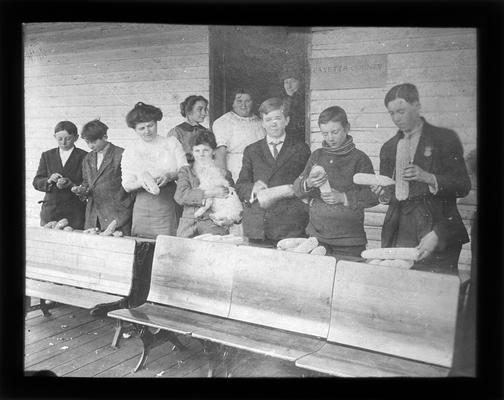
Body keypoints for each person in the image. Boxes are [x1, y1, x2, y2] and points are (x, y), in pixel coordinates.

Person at [372, 83, 471, 273]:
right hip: (400, 228)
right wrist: (383, 194)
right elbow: (390, 192)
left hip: (437, 228)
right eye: (391, 113)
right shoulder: (389, 147)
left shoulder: (444, 139)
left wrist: (429, 177)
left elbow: (463, 186)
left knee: (437, 291)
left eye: (401, 111)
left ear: (417, 105)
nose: (396, 118)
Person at [293, 106, 379, 259]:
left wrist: (343, 197)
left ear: (347, 128)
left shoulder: (359, 158)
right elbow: (297, 189)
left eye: (335, 132)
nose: (330, 138)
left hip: (349, 241)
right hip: (317, 237)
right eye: (325, 133)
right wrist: (309, 183)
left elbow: (373, 196)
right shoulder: (317, 156)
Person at [236, 97, 310, 246]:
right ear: (263, 123)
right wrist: (253, 188)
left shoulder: (300, 149)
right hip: (259, 225)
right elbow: (241, 184)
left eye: (278, 118)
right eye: (268, 119)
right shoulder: (252, 150)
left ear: (286, 120)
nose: (273, 123)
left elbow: (307, 185)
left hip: (289, 225)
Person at [121, 102, 188, 239]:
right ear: (135, 129)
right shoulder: (131, 149)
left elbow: (185, 171)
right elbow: (127, 185)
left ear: (157, 123)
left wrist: (169, 176)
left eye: (150, 125)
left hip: (167, 201)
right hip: (143, 205)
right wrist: (143, 182)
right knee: (142, 245)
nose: (147, 131)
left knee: (168, 243)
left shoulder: (171, 143)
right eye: (142, 128)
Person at [71, 119, 133, 235]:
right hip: (93, 217)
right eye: (87, 142)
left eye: (93, 141)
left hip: (116, 215)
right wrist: (81, 190)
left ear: (104, 137)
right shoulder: (88, 158)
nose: (90, 146)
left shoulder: (121, 154)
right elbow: (86, 182)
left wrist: (123, 211)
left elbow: (131, 186)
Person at [175, 130, 236, 238]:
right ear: (192, 152)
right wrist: (211, 193)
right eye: (197, 150)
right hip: (188, 225)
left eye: (205, 150)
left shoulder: (224, 173)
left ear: (213, 151)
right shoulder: (186, 171)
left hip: (214, 225)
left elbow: (232, 199)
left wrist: (229, 219)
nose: (201, 154)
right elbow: (181, 196)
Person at [32, 120, 87, 229]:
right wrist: (49, 180)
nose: (63, 142)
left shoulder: (85, 156)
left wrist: (72, 185)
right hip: (51, 211)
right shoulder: (47, 155)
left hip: (74, 211)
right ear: (54, 137)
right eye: (60, 139)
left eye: (68, 138)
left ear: (76, 137)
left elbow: (87, 182)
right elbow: (36, 181)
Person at [213, 88, 266, 181]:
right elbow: (220, 152)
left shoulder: (261, 122)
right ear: (233, 103)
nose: (243, 105)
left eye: (247, 101)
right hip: (235, 171)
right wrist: (225, 179)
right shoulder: (223, 122)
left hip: (258, 170)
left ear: (253, 102)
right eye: (239, 101)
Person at [167, 95, 209, 160]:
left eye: (205, 109)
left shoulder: (206, 131)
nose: (204, 113)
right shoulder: (176, 132)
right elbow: (171, 157)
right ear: (189, 111)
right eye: (200, 109)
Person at [280, 63, 305, 143]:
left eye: (293, 81)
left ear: (300, 82)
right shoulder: (284, 102)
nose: (289, 86)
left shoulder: (304, 102)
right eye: (286, 82)